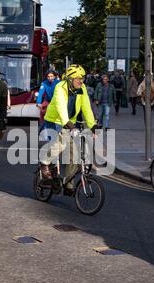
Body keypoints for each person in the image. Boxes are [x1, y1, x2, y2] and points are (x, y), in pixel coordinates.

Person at [40, 64, 98, 196]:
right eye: (78, 78)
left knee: (75, 154)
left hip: (69, 122)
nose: (81, 80)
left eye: (82, 78)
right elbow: (61, 108)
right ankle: (44, 162)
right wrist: (70, 126)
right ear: (70, 79)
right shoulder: (60, 88)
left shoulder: (81, 89)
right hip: (54, 120)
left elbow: (87, 109)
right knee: (62, 142)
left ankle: (68, 183)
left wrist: (93, 126)